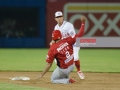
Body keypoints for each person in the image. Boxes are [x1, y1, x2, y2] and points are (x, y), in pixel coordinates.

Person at [36, 16, 86, 84]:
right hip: (72, 66)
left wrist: (42, 74)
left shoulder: (53, 48)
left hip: (64, 70)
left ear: (53, 38)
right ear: (61, 36)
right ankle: (66, 77)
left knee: (53, 80)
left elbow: (49, 64)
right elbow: (80, 34)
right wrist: (83, 23)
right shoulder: (68, 40)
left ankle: (68, 81)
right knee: (62, 62)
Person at [50, 11, 85, 79]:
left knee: (75, 57)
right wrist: (52, 42)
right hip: (64, 45)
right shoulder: (56, 27)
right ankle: (64, 73)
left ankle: (79, 71)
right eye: (57, 17)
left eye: (60, 17)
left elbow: (73, 37)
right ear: (55, 19)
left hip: (73, 43)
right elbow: (56, 39)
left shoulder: (68, 25)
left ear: (63, 17)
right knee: (57, 60)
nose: (59, 18)